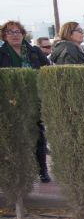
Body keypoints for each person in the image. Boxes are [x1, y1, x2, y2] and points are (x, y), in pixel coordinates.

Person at [0, 20, 51, 182]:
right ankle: (19, 172)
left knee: (38, 137)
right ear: (4, 36)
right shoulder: (2, 54)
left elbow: (47, 69)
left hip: (33, 101)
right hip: (11, 103)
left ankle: (42, 169)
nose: (14, 35)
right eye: (10, 32)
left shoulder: (33, 51)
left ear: (23, 34)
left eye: (17, 32)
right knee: (15, 138)